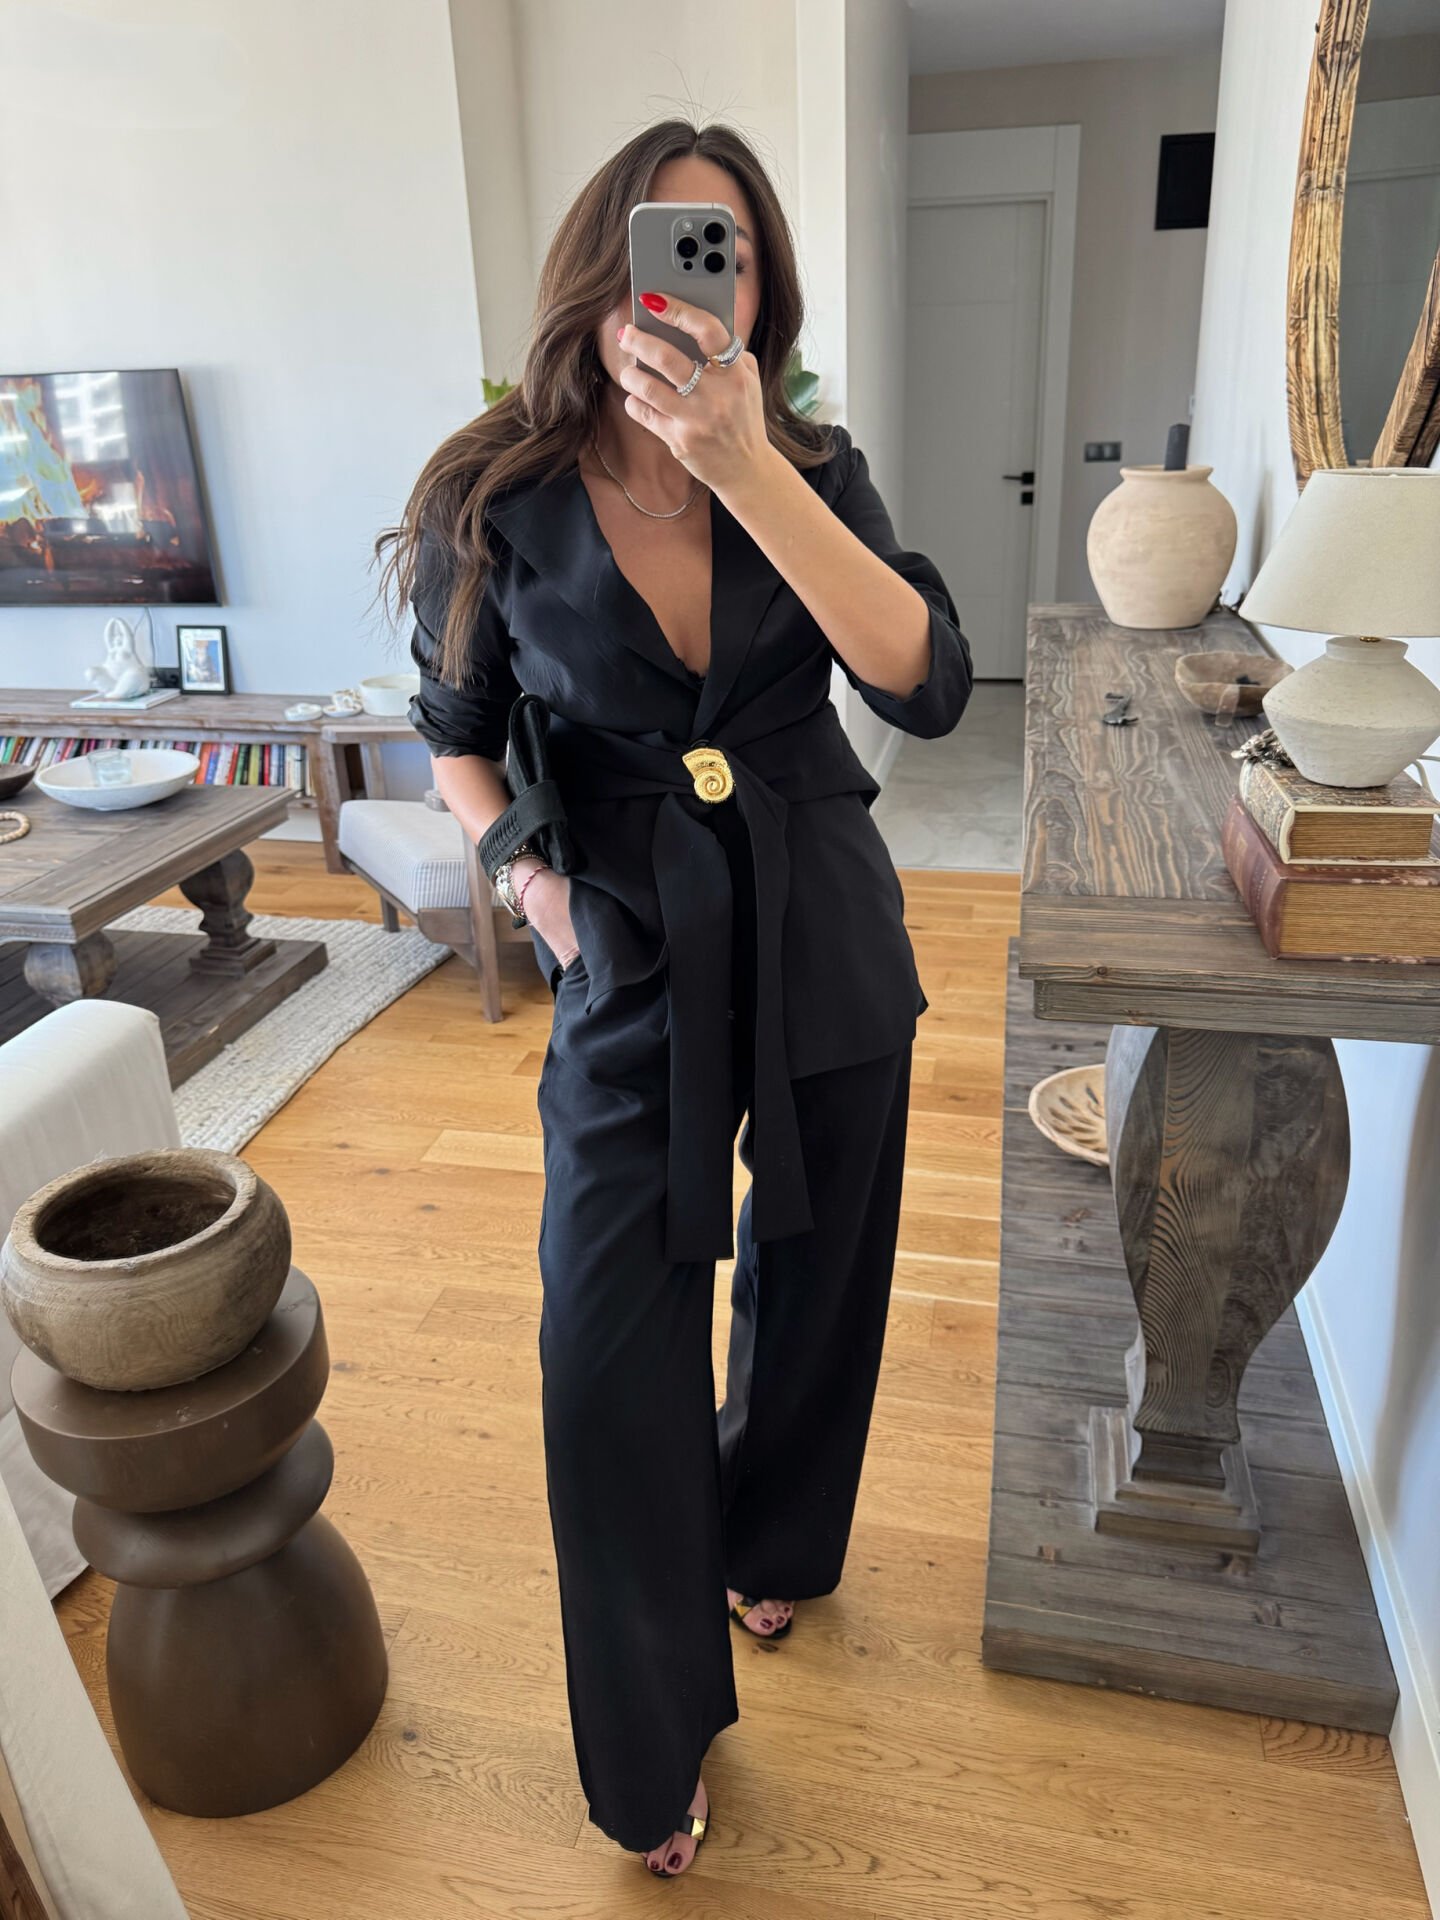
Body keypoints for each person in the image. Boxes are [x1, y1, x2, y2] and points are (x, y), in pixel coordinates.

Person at [378, 116, 972, 1881]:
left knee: (823, 1267)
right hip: (625, 936)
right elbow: (454, 739)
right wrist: (539, 894)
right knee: (605, 1336)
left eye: (735, 254)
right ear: (603, 273)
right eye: (668, 245)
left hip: (818, 908)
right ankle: (648, 1743)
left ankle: (771, 1537)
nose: (700, 286)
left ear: (762, 296)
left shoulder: (818, 469)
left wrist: (746, 466)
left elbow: (925, 681)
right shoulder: (493, 494)